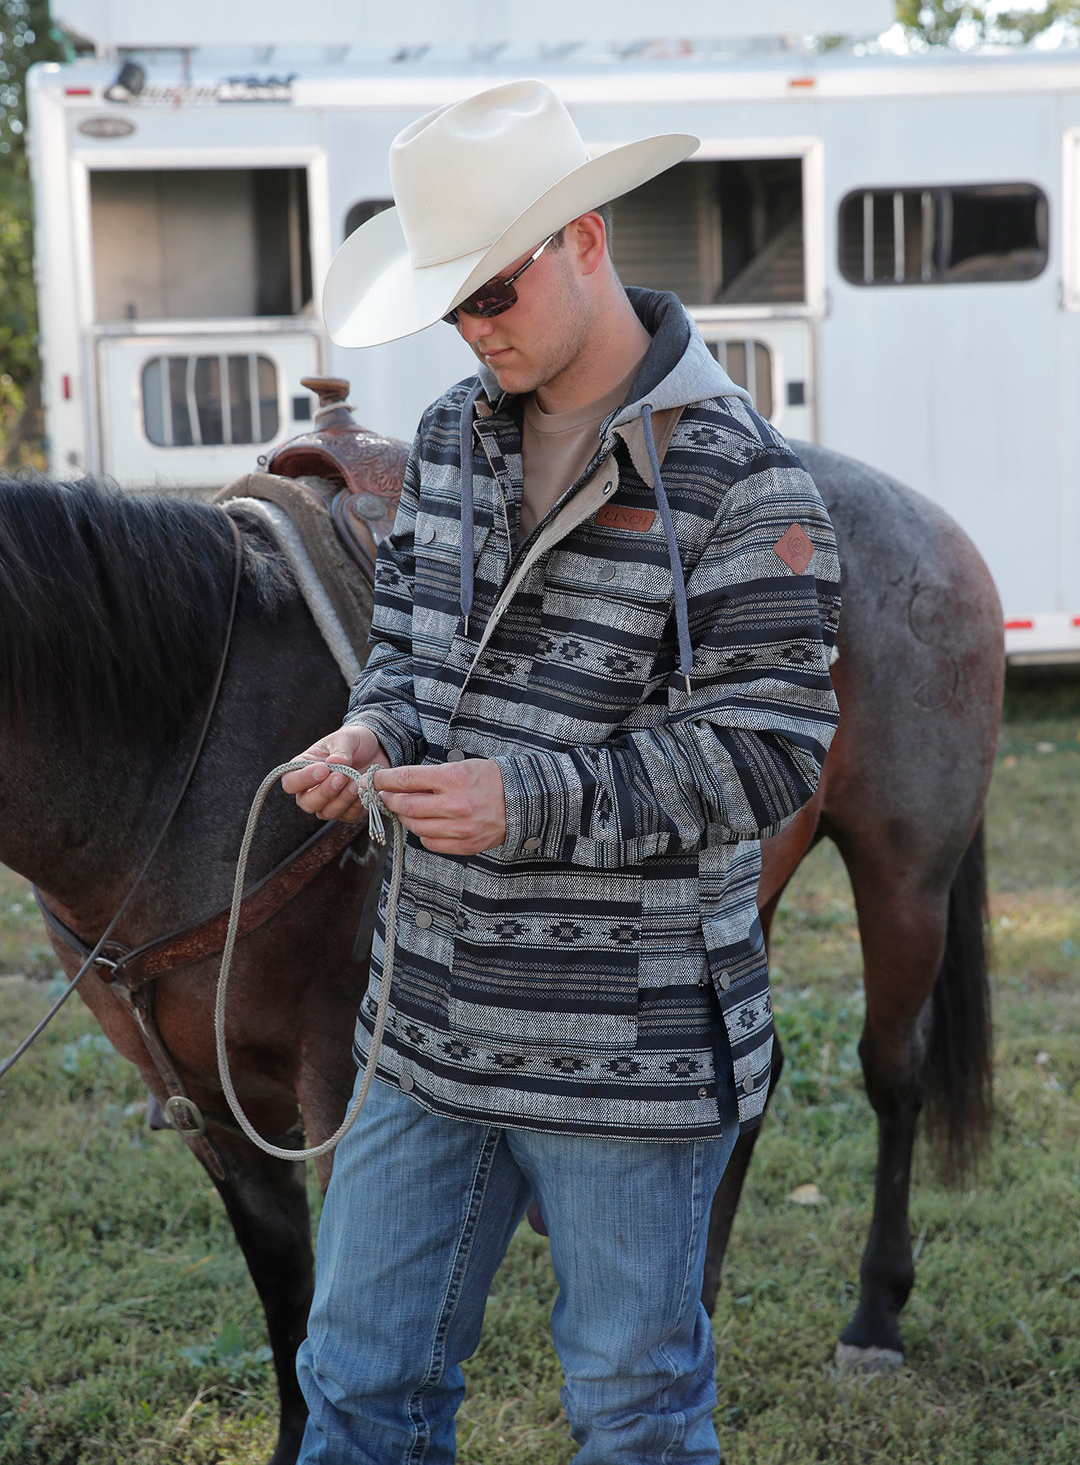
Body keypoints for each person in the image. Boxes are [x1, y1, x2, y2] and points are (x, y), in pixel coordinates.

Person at [282, 79, 841, 1464]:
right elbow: (408, 660)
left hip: (634, 1056)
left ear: (587, 238)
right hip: (424, 1025)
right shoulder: (450, 444)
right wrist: (374, 738)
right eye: (452, 307)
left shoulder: (744, 483)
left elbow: (773, 755)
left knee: (635, 1416)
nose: (476, 332)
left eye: (494, 294)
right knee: (353, 1384)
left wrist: (517, 802)